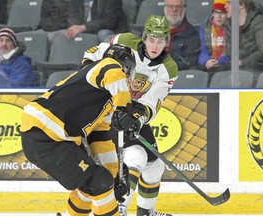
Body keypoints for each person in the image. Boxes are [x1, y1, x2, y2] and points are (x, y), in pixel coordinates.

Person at [20, 44, 148, 216]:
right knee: (99, 181)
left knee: (92, 184)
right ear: (127, 68)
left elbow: (100, 139)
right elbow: (112, 70)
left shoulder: (107, 99)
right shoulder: (104, 68)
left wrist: (114, 175)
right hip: (45, 133)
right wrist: (125, 108)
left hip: (53, 136)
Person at [83, 15, 178, 216]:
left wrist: (138, 117)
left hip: (131, 112)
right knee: (137, 156)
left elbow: (154, 100)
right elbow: (93, 54)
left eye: (160, 41)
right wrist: (88, 78)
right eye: (152, 40)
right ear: (144, 38)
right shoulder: (124, 41)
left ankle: (145, 212)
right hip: (106, 110)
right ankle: (119, 207)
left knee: (155, 166)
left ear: (166, 42)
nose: (155, 45)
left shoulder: (168, 69)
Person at [39, 0, 128, 43]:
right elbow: (72, 16)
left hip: (109, 29)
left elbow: (109, 21)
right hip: (84, 29)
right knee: (62, 34)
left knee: (102, 34)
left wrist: (84, 27)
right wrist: (73, 27)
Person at [225, 0, 263, 73]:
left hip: (258, 71)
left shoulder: (258, 21)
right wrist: (253, 50)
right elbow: (230, 54)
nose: (225, 6)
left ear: (241, 5)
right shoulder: (229, 25)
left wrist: (242, 62)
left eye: (229, 3)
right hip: (240, 71)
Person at [164, 0, 201, 71]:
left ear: (184, 9)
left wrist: (166, 67)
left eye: (178, 7)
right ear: (165, 8)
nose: (174, 10)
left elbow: (189, 62)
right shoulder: (153, 28)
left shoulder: (193, 34)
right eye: (170, 6)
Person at [198, 0, 231, 73]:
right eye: (216, 12)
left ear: (227, 14)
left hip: (226, 66)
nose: (219, 16)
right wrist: (206, 60)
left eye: (222, 12)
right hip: (209, 66)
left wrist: (219, 61)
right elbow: (202, 50)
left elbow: (231, 52)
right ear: (213, 13)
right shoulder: (204, 27)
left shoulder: (231, 28)